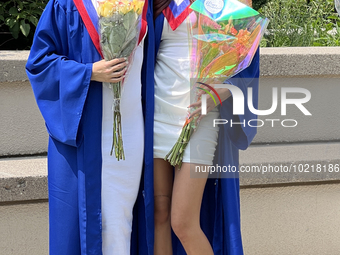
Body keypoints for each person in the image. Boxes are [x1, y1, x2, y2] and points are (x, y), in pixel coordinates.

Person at [25, 0, 148, 254]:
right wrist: (89, 72)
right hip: (87, 133)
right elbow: (39, 63)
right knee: (89, 225)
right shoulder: (66, 5)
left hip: (132, 133)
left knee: (120, 222)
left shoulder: (145, 4)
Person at [139, 0, 261, 254]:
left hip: (200, 114)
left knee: (183, 222)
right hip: (157, 111)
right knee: (159, 214)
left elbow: (246, 61)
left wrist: (219, 94)